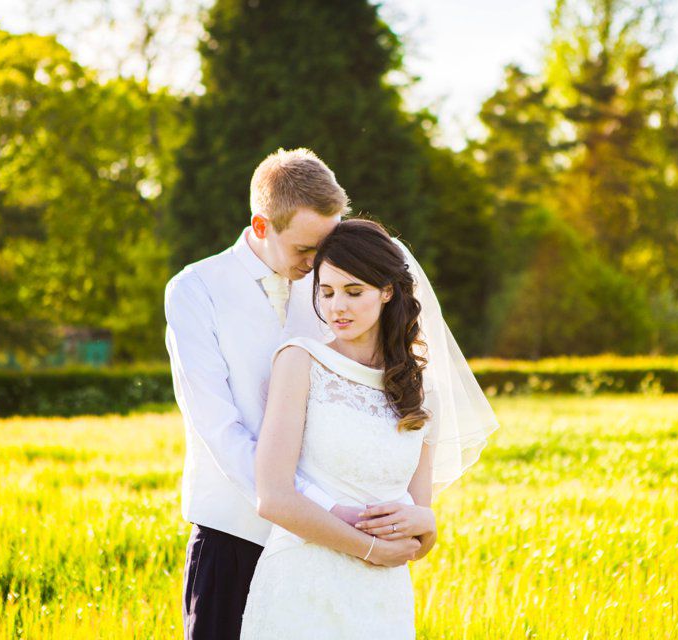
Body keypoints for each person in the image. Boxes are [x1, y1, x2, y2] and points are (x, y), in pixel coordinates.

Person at [164, 150, 433, 640]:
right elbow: (223, 432)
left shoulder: (332, 287)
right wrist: (321, 508)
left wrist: (405, 519)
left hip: (335, 551)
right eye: (306, 251)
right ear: (262, 227)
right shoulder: (196, 290)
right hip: (235, 531)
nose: (318, 267)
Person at [240, 219, 499, 639]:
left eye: (353, 291)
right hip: (303, 587)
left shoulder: (420, 389)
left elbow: (418, 525)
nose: (336, 307)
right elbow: (272, 497)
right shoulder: (299, 362)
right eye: (326, 292)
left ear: (387, 291)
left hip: (382, 599)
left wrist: (427, 526)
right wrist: (372, 549)